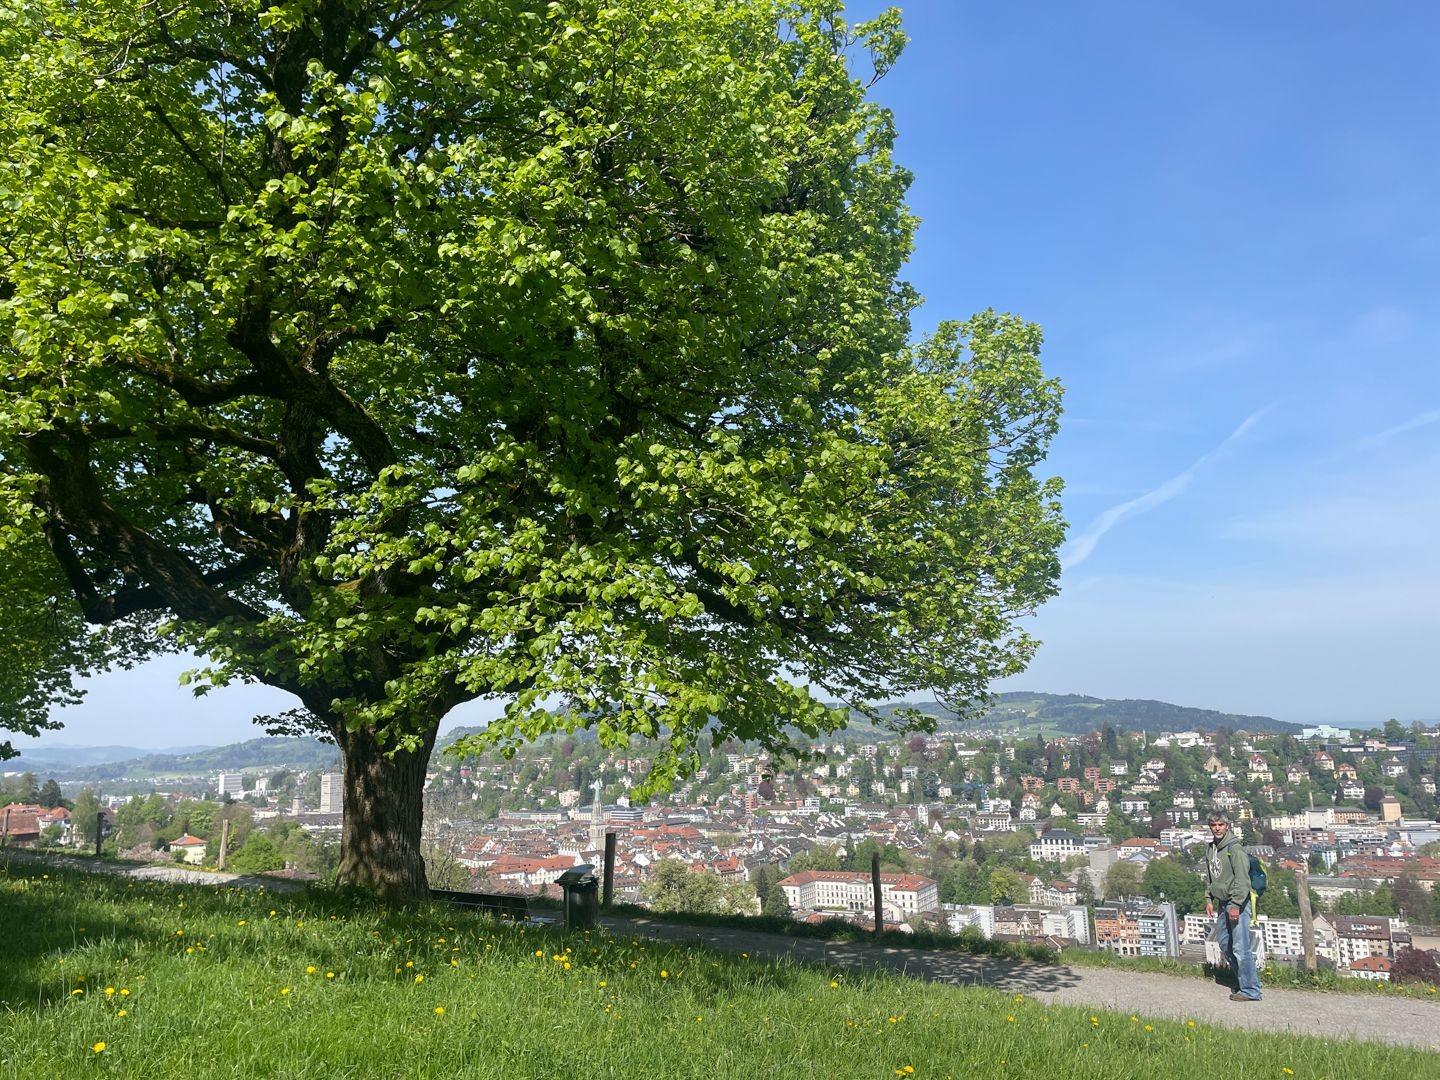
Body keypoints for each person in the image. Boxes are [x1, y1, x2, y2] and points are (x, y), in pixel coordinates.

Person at [1204, 810, 1261, 1001]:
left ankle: (1251, 990)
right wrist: (1208, 898)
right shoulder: (1211, 848)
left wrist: (1236, 904)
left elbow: (1243, 879)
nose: (1217, 828)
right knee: (1224, 943)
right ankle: (1242, 980)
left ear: (1227, 826)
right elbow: (1211, 876)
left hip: (1237, 903)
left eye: (1220, 824)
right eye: (1214, 825)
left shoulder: (1235, 849)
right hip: (1221, 902)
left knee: (1240, 947)